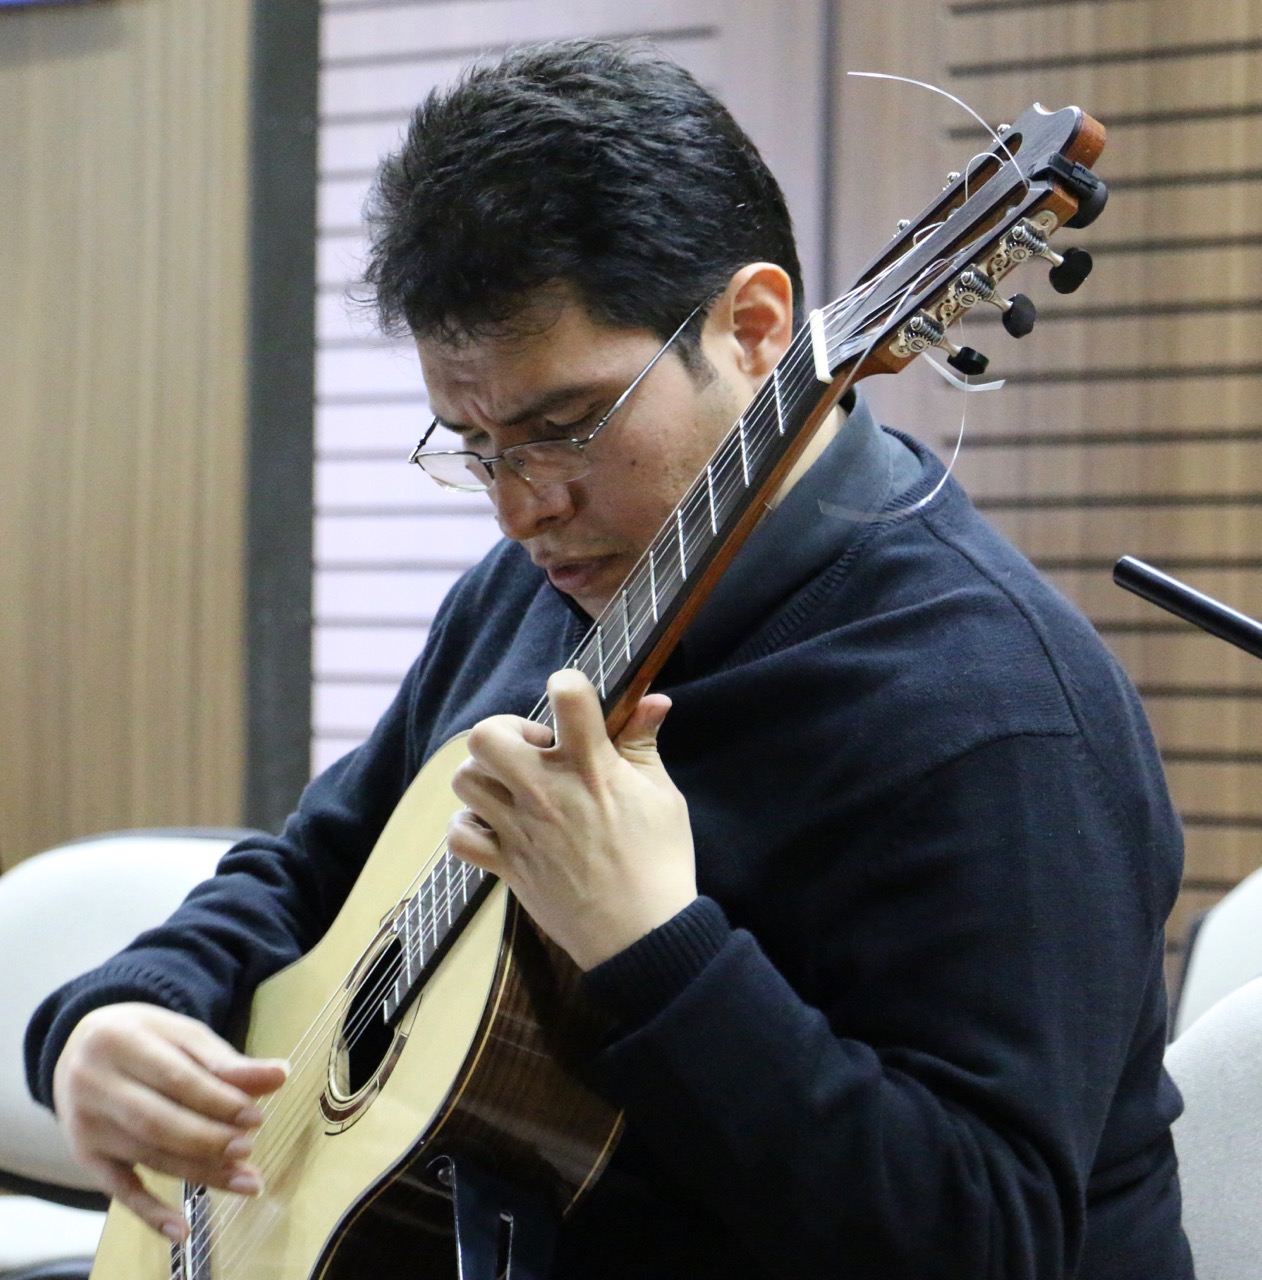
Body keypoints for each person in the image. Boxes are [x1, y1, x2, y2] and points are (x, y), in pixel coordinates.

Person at [26, 38, 1193, 1279]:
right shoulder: (539, 586)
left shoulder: (995, 705)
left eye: (566, 424)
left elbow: (984, 1236)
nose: (520, 506)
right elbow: (313, 865)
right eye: (474, 443)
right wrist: (126, 1005)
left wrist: (648, 942)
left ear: (753, 328)